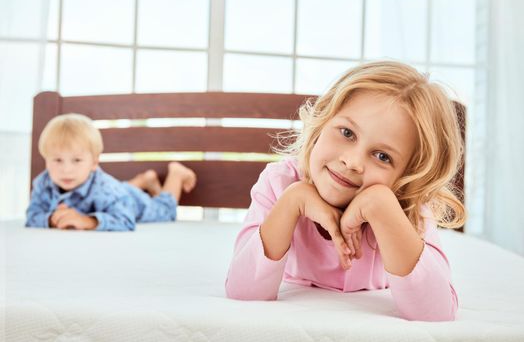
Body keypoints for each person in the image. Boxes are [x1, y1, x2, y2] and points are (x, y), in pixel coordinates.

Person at [225, 61, 465, 321]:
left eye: (383, 156)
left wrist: (382, 207)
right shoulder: (279, 183)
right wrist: (293, 200)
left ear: (406, 177)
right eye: (347, 133)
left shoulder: (408, 208)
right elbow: (243, 291)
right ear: (321, 124)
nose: (352, 162)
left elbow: (437, 313)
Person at [26, 113, 196, 231]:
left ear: (94, 162)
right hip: (117, 191)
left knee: (165, 211)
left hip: (130, 200)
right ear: (46, 160)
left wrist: (88, 221)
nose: (66, 169)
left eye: (77, 160)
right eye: (57, 160)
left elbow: (126, 220)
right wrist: (51, 218)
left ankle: (176, 174)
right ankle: (144, 180)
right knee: (117, 190)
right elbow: (32, 215)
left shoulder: (104, 188)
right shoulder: (43, 183)